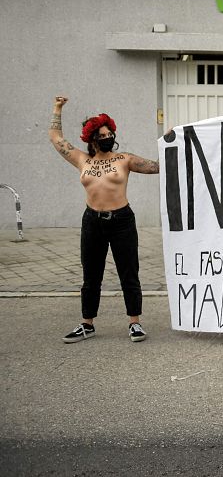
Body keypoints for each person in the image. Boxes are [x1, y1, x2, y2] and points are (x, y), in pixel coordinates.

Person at [48, 96, 159, 343]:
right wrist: (57, 109)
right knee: (91, 274)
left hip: (122, 221)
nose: (108, 137)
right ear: (92, 139)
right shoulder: (82, 160)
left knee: (129, 272)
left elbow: (156, 166)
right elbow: (56, 139)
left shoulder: (125, 159)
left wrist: (174, 141)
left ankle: (135, 323)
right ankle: (87, 323)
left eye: (110, 133)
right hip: (92, 222)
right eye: (103, 134)